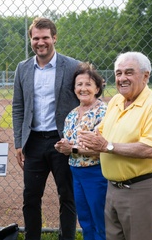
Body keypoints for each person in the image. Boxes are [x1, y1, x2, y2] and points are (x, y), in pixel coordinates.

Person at [78, 52, 152, 240]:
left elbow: (149, 149)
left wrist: (107, 146)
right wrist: (87, 140)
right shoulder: (116, 101)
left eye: (129, 72)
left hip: (141, 188)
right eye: (118, 73)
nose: (122, 78)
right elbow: (102, 135)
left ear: (146, 76)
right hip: (113, 189)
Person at [12, 17, 80, 240]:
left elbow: (88, 98)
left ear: (54, 38)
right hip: (34, 142)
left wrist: (76, 138)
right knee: (30, 197)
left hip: (62, 142)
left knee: (67, 196)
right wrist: (19, 142)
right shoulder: (22, 68)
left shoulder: (72, 66)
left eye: (45, 38)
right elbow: (18, 107)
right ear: (31, 39)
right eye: (35, 38)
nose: (40, 42)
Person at [54, 62, 107, 240]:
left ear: (97, 88)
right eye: (79, 84)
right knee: (85, 220)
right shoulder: (72, 114)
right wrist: (63, 147)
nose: (83, 89)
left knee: (99, 219)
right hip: (76, 172)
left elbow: (101, 149)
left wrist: (72, 148)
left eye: (88, 84)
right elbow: (70, 145)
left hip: (96, 173)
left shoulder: (103, 112)